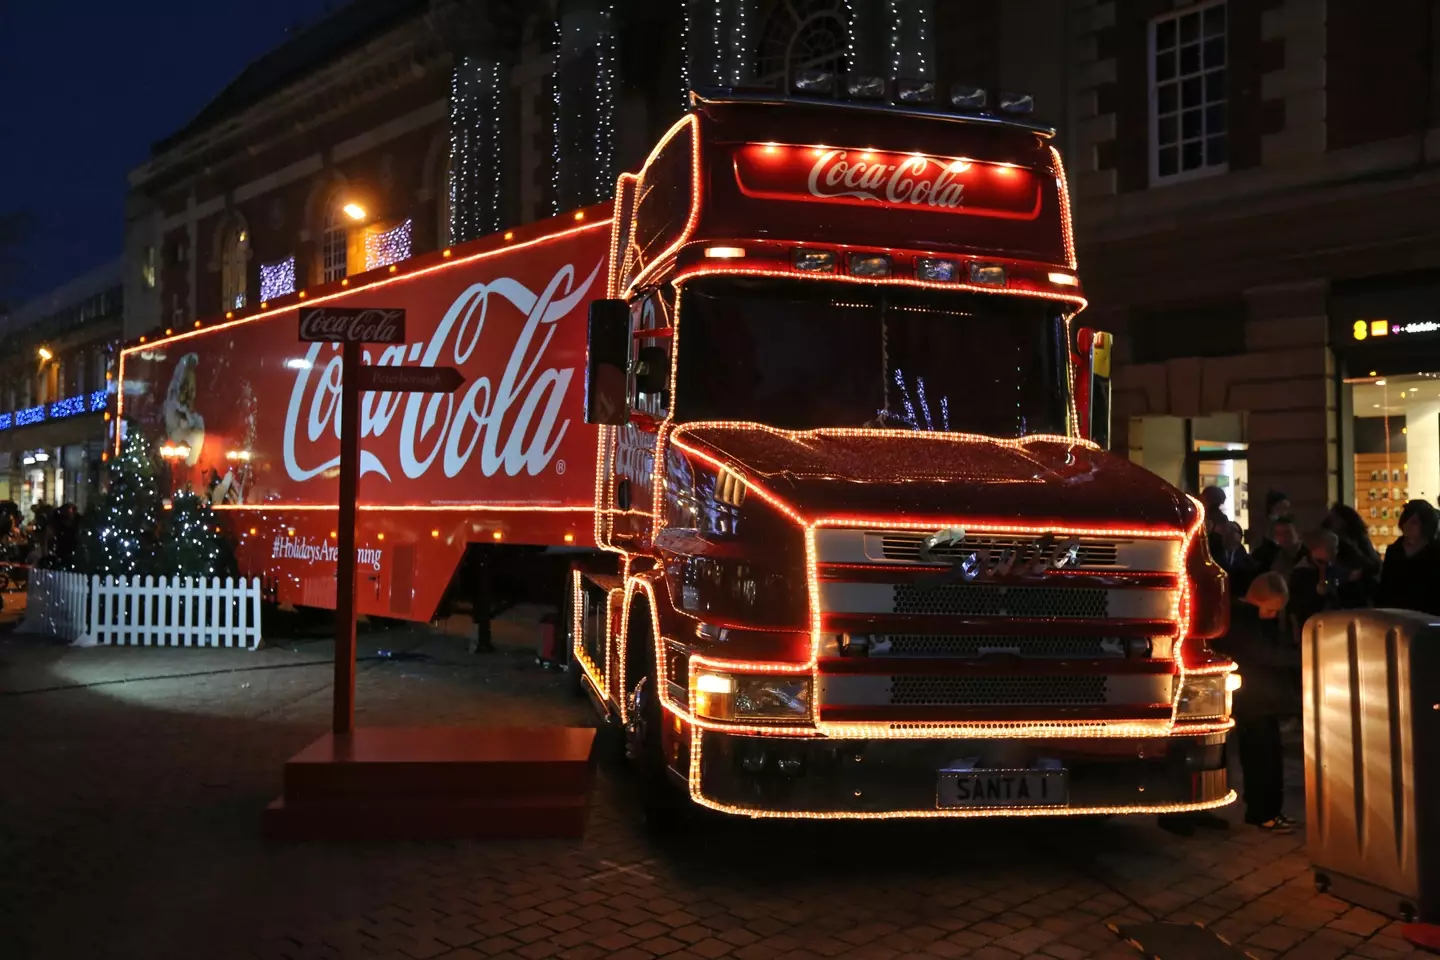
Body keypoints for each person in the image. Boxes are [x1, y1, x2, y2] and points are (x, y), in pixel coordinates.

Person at [1213, 572, 1302, 833]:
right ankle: (1265, 813)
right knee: (1262, 760)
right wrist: (1302, 655)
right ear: (1257, 600)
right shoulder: (1243, 620)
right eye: (1271, 609)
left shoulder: (1243, 616)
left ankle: (1265, 810)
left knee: (1266, 757)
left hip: (1259, 699)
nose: (1274, 615)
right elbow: (1267, 654)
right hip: (1253, 700)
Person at [1376, 500, 1440, 616]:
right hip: (1398, 615)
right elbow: (1385, 587)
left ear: (1425, 524)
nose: (1407, 524)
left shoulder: (1435, 551)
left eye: (1414, 522)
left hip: (1429, 616)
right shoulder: (1394, 550)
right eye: (1406, 520)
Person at [1322, 503, 1381, 607]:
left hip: (1365, 588)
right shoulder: (1332, 541)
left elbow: (1374, 563)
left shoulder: (1360, 539)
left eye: (1335, 518)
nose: (1331, 521)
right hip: (1346, 591)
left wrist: (1362, 571)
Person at [1214, 520, 1257, 595]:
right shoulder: (1213, 555)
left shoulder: (1248, 561)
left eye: (1233, 530)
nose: (1229, 533)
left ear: (1240, 536)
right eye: (1226, 530)